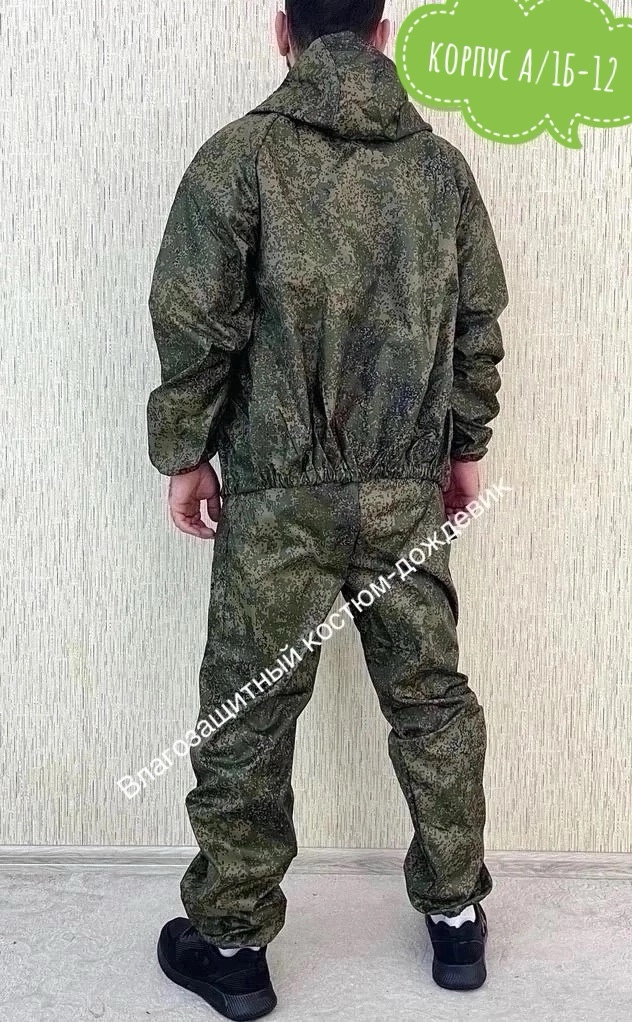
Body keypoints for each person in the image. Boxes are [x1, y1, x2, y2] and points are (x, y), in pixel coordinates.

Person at [146, 1, 509, 1017]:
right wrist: (463, 448)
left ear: (282, 30)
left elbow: (195, 320)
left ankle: (232, 946)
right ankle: (455, 919)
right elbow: (476, 321)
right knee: (430, 699)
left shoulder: (238, 160)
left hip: (277, 498)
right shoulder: (439, 171)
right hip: (403, 492)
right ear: (383, 32)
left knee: (249, 711)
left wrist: (185, 455)